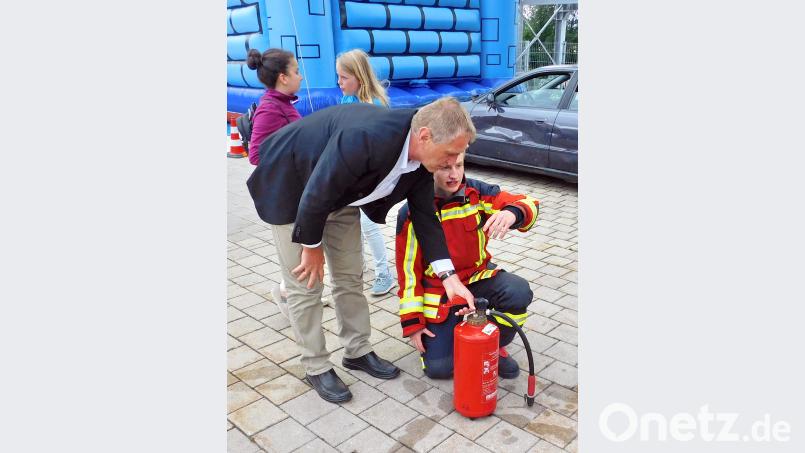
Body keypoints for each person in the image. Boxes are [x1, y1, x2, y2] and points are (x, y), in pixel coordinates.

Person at [247, 96, 477, 403]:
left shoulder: (423, 156)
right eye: (449, 154)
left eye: (458, 156)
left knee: (350, 275)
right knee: (305, 285)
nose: (452, 164)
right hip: (293, 188)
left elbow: (425, 217)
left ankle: (357, 350)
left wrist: (449, 277)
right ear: (425, 136)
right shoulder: (367, 137)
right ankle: (315, 365)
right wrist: (311, 245)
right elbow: (316, 191)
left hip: (340, 194)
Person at [395, 151, 540, 380]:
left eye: (459, 166)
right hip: (440, 293)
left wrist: (513, 213)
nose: (454, 175)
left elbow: (528, 203)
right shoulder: (411, 213)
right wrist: (413, 323)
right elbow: (408, 275)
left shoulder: (478, 193)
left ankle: (493, 343)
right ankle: (455, 335)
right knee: (439, 369)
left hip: (477, 278)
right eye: (445, 167)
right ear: (430, 167)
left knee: (518, 291)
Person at [245, 48, 304, 317]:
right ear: (283, 77)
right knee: (297, 254)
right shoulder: (270, 108)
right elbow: (256, 154)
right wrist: (293, 155)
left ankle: (286, 291)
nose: (300, 77)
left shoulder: (282, 103)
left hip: (297, 193)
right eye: (296, 71)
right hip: (285, 198)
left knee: (304, 251)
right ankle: (289, 296)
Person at [336, 49, 393, 296]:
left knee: (369, 226)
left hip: (369, 179)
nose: (339, 83)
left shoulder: (375, 105)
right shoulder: (347, 100)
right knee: (353, 225)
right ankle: (358, 267)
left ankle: (384, 274)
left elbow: (379, 145)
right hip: (350, 177)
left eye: (343, 77)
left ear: (358, 77)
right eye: (338, 77)